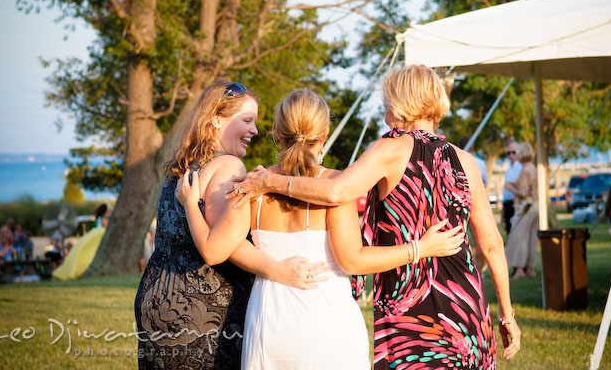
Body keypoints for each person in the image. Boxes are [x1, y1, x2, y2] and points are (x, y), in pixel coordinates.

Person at [230, 65, 520, 368]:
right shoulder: (467, 161)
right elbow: (492, 244)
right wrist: (507, 314)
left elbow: (335, 192)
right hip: (467, 303)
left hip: (414, 308)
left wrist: (269, 181)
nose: (383, 107)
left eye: (386, 100)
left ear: (401, 103)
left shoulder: (390, 150)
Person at [178, 89, 463, 369]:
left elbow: (224, 247)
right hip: (330, 327)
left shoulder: (255, 185)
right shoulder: (334, 185)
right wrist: (419, 249)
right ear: (324, 134)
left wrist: (271, 267)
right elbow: (352, 260)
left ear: (277, 132)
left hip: (269, 324)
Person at [134, 80, 328, 370]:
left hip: (157, 295)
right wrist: (279, 270)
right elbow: (217, 250)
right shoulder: (228, 167)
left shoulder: (183, 164)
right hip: (201, 309)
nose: (254, 130)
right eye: (247, 120)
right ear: (215, 120)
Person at [504, 142, 538, 280]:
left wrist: (509, 187)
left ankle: (519, 270)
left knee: (520, 238)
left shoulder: (525, 169)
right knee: (531, 239)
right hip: (535, 206)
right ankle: (530, 268)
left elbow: (523, 192)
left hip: (525, 207)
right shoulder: (533, 168)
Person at [502, 140, 522, 234]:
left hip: (515, 204)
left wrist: (509, 186)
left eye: (514, 152)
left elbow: (518, 186)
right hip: (508, 205)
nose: (511, 155)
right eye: (508, 153)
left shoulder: (520, 167)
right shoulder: (510, 168)